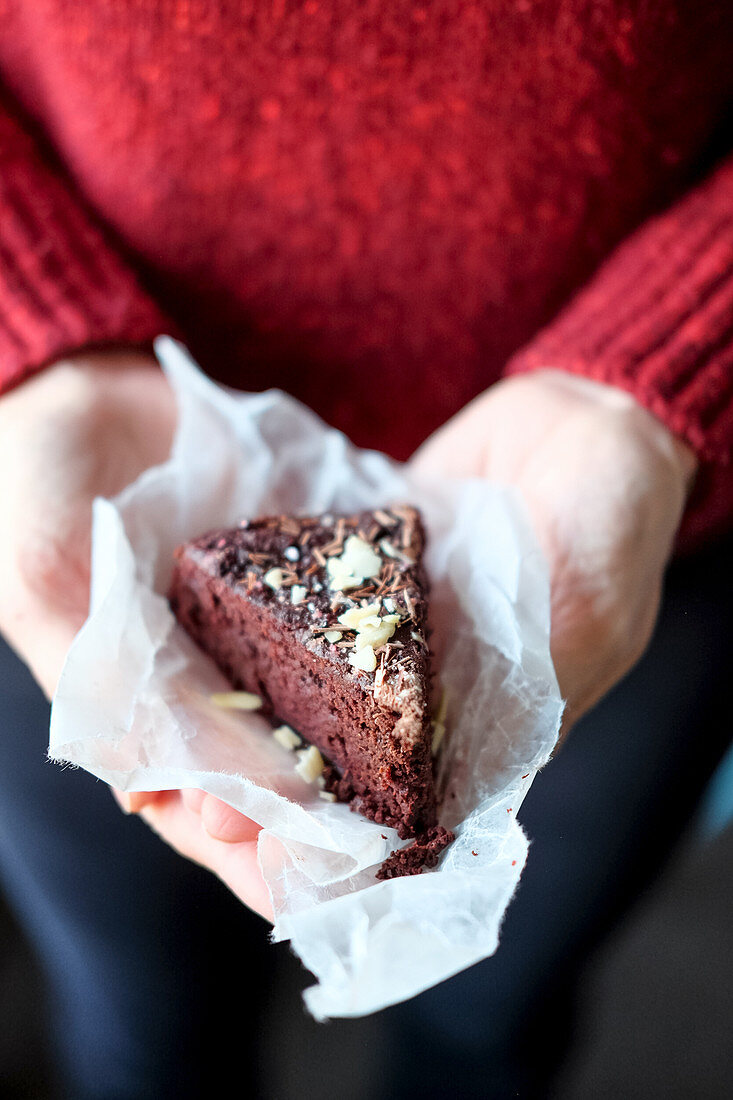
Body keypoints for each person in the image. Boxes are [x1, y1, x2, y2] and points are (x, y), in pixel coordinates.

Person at [0, 1, 731, 1095]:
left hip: (652, 514)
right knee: (141, 1023)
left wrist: (651, 375)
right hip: (103, 503)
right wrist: (31, 336)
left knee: (492, 1019)